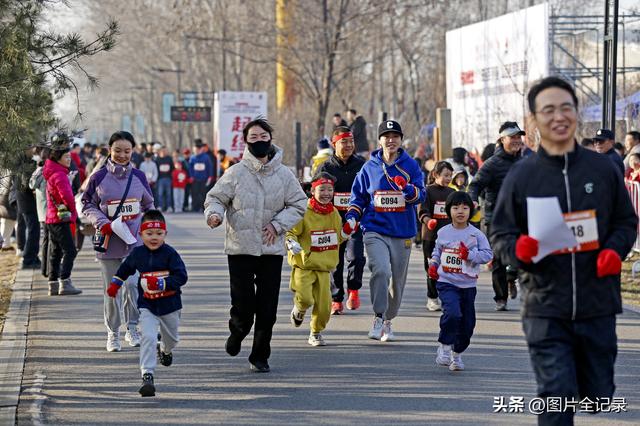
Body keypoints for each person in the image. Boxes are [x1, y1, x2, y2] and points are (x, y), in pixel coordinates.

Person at [491, 76, 637, 425]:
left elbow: (625, 222)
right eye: (548, 110)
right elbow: (500, 232)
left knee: (598, 397)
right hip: (545, 304)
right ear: (534, 121)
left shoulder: (604, 169)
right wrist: (518, 249)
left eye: (566, 108)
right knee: (556, 395)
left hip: (596, 302)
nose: (558, 116)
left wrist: (614, 251)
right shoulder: (522, 176)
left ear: (576, 114)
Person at [204, 118, 307, 373]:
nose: (259, 141)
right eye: (254, 137)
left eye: (263, 137)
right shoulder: (236, 172)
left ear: (270, 139)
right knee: (243, 304)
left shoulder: (284, 174)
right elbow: (215, 198)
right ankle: (238, 331)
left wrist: (277, 225)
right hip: (240, 247)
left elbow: (299, 204)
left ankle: (260, 355)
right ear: (246, 141)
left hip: (270, 250)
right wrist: (214, 215)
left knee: (268, 307)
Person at [346, 120, 426, 341]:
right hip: (375, 228)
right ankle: (378, 316)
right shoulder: (369, 167)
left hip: (402, 231)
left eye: (395, 136)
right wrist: (352, 216)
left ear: (401, 140)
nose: (391, 140)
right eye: (386, 136)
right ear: (379, 140)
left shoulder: (410, 166)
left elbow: (421, 194)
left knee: (397, 282)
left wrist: (408, 189)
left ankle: (389, 320)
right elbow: (358, 197)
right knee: (380, 270)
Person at [82, 131, 155, 352]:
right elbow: (87, 204)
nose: (122, 155)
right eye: (117, 151)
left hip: (134, 243)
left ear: (133, 151)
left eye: (127, 151)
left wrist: (152, 227)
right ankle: (112, 332)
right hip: (109, 242)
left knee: (133, 287)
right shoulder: (99, 177)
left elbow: (149, 205)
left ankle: (132, 328)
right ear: (110, 150)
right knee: (112, 289)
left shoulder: (139, 177)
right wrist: (102, 221)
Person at [107, 210, 188, 397]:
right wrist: (115, 284)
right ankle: (147, 375)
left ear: (165, 234)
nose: (154, 238)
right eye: (149, 234)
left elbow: (182, 277)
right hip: (148, 305)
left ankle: (165, 350)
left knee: (172, 339)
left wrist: (162, 283)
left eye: (159, 234)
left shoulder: (170, 254)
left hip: (171, 305)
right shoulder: (137, 254)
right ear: (141, 234)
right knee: (148, 337)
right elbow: (125, 269)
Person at [286, 172, 355, 346]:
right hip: (305, 266)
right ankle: (299, 309)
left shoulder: (334, 213)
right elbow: (291, 232)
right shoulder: (303, 211)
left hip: (324, 268)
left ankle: (315, 333)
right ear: (312, 191)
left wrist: (346, 232)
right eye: (322, 189)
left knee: (324, 307)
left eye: (330, 189)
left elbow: (335, 238)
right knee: (306, 299)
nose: (326, 193)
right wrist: (291, 243)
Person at [429, 192, 492, 371]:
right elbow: (437, 252)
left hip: (468, 285)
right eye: (456, 207)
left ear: (470, 211)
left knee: (467, 325)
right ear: (449, 211)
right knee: (453, 313)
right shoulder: (443, 232)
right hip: (447, 281)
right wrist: (434, 265)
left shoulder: (476, 234)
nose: (460, 211)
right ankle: (445, 346)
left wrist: (469, 255)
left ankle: (457, 355)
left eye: (465, 208)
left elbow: (488, 254)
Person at [468, 121, 523, 311]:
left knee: (523, 251)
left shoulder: (525, 161)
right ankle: (501, 297)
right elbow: (474, 185)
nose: (517, 141)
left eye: (519, 137)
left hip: (520, 216)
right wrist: (472, 200)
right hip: (496, 218)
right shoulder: (492, 164)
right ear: (502, 139)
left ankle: (512, 276)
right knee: (498, 258)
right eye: (513, 137)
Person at [319, 127, 366, 315]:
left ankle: (353, 289)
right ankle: (336, 299)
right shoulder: (326, 167)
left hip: (355, 221)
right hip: (332, 222)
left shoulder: (361, 165)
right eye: (344, 142)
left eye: (351, 141)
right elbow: (317, 191)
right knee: (334, 263)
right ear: (334, 144)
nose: (348, 146)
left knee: (356, 257)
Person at [43, 134, 82, 296]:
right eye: (66, 157)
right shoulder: (60, 175)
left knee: (56, 251)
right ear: (58, 157)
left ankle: (53, 283)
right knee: (70, 250)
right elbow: (67, 198)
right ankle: (65, 282)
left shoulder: (53, 172)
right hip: (60, 219)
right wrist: (74, 213)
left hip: (51, 218)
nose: (69, 159)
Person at [418, 161, 455, 311]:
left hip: (449, 237)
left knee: (449, 267)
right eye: (446, 175)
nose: (448, 178)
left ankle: (447, 297)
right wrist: (429, 220)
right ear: (435, 175)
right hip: (431, 237)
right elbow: (422, 211)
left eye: (450, 176)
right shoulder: (427, 191)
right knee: (432, 268)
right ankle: (432, 298)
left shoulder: (452, 193)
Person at [14, 148, 41, 269]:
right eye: (31, 148)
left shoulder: (23, 162)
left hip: (25, 201)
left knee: (33, 230)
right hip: (27, 202)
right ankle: (28, 259)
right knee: (33, 230)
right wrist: (34, 189)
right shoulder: (25, 164)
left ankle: (32, 256)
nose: (34, 150)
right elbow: (27, 184)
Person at [189, 140, 213, 212]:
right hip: (195, 179)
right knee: (195, 194)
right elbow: (190, 168)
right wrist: (191, 176)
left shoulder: (206, 157)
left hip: (204, 179)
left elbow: (209, 167)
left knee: (203, 194)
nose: (196, 151)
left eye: (197, 150)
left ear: (200, 150)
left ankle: (203, 207)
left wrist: (210, 176)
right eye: (195, 150)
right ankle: (195, 207)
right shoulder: (192, 157)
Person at [155, 146, 174, 212]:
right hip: (160, 179)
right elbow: (156, 169)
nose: (164, 152)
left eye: (165, 151)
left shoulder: (169, 158)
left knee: (168, 194)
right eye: (162, 151)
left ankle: (169, 207)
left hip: (168, 178)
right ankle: (160, 206)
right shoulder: (157, 159)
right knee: (160, 194)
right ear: (160, 151)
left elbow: (172, 168)